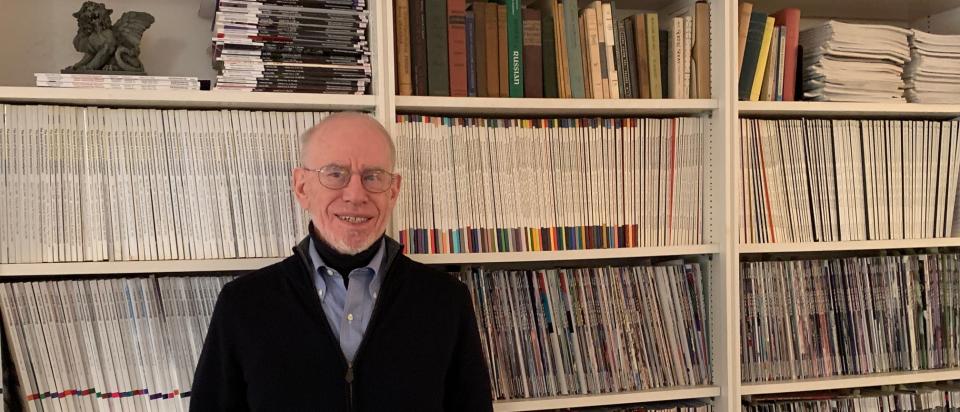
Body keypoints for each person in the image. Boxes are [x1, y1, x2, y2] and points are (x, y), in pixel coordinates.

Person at [189, 112, 493, 411]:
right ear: (302, 187)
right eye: (335, 174)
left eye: (373, 176)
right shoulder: (243, 304)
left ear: (394, 191)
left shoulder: (446, 301)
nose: (355, 194)